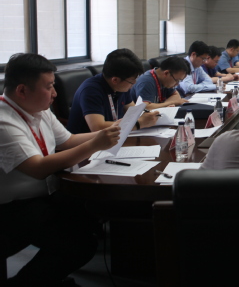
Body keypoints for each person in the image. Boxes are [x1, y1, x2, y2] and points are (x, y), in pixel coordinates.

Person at [0, 53, 121, 286]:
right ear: (22, 90)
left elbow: (68, 140)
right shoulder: (4, 121)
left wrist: (110, 133)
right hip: (12, 208)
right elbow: (37, 168)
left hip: (42, 196)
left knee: (88, 214)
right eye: (49, 87)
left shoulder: (38, 109)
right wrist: (95, 144)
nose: (54, 93)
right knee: (78, 245)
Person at [67, 48, 160, 134]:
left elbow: (132, 111)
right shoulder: (90, 90)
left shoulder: (122, 86)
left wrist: (148, 115)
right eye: (132, 81)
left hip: (114, 138)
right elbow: (97, 127)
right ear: (115, 80)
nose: (134, 83)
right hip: (86, 143)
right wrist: (138, 123)